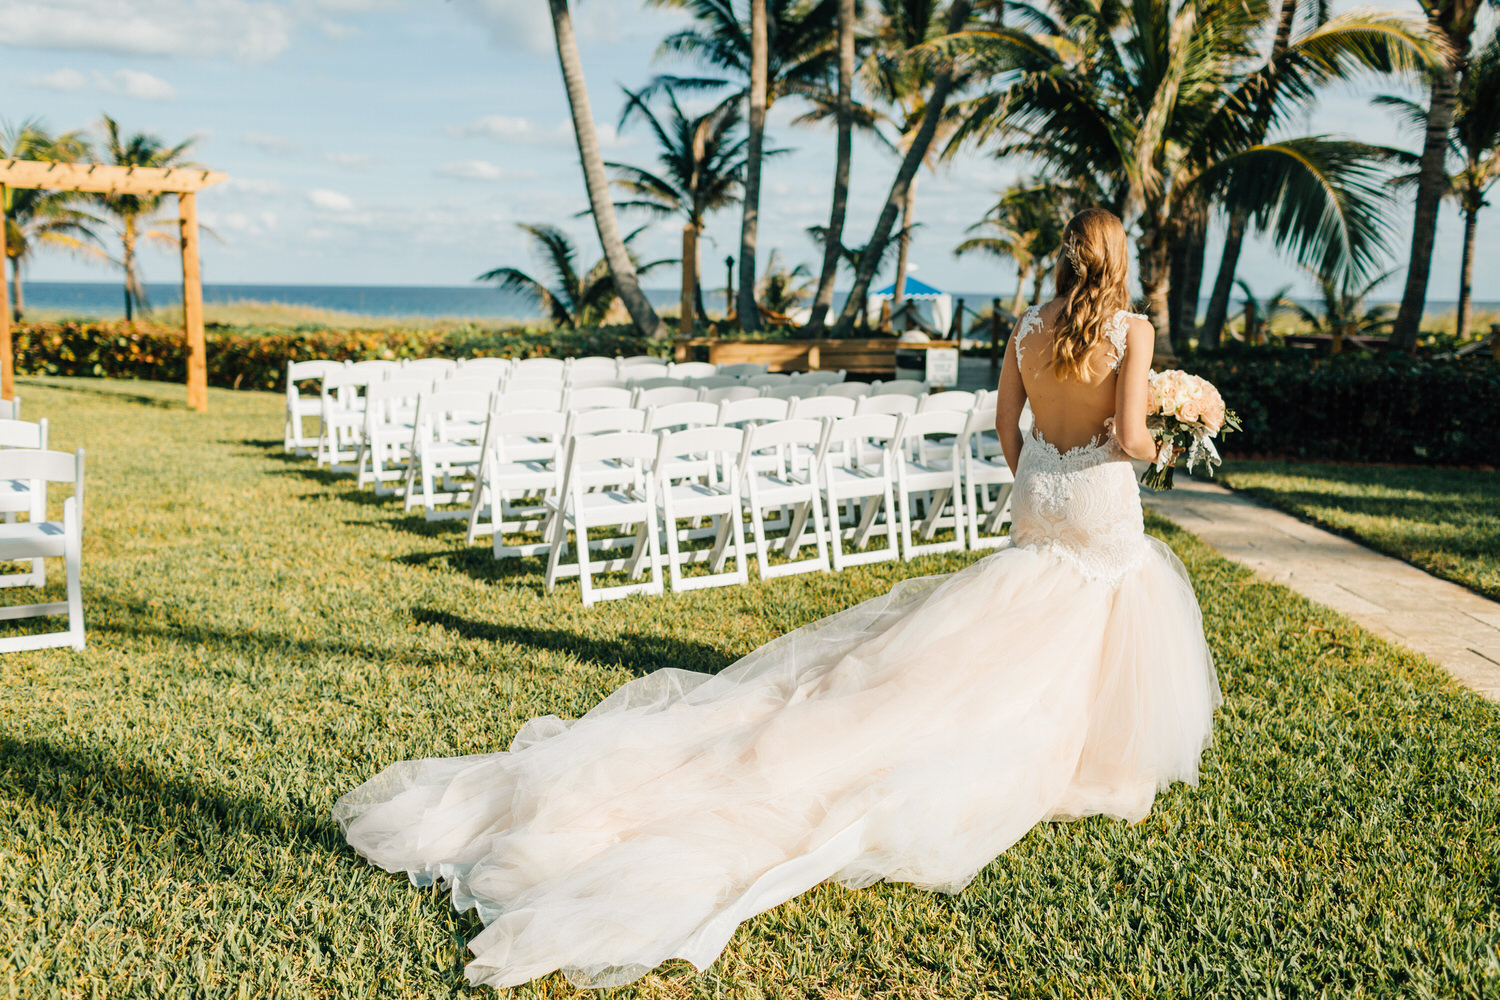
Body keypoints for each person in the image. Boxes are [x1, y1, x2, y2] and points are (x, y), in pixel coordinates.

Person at [334, 207, 1222, 991]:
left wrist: (1040, 473)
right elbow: (1134, 438)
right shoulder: (1132, 331)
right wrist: (1175, 435)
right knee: (1088, 618)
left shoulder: (1027, 326)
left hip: (1038, 487)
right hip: (1098, 494)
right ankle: (1083, 757)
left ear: (1062, 262)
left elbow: (1004, 426)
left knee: (1012, 622)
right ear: (1116, 261)